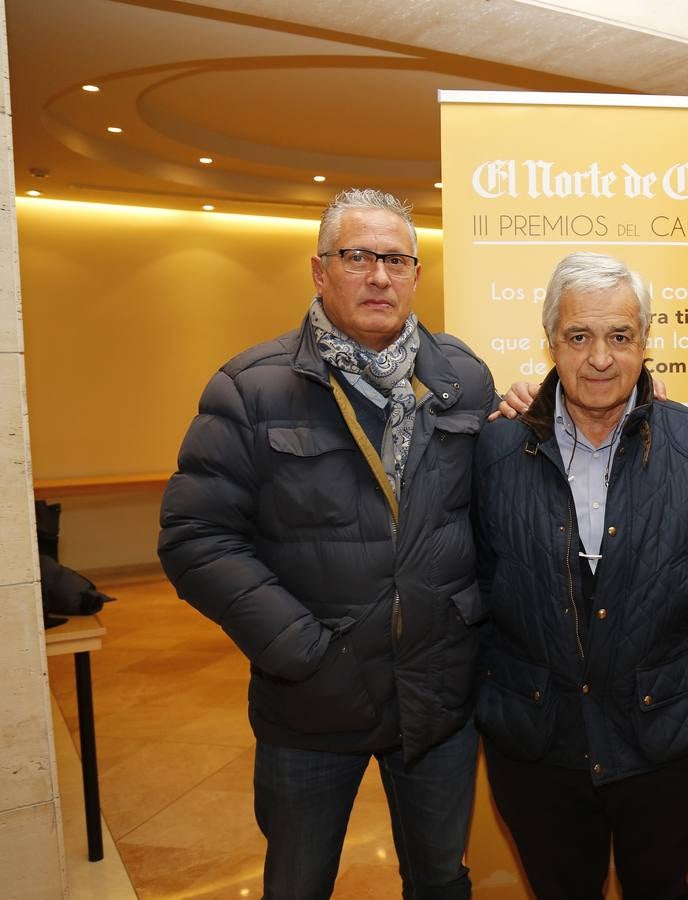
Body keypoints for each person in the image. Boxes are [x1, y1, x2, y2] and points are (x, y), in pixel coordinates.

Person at [158, 189, 495, 899]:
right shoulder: (251, 389)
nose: (379, 276)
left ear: (415, 274)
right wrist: (300, 651)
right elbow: (195, 537)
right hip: (312, 705)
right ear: (319, 271)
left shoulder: (461, 378)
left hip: (436, 701)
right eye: (357, 256)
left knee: (441, 879)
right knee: (297, 883)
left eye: (396, 259)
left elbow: (489, 518)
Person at [473, 251, 688, 900]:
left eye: (620, 336)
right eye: (579, 336)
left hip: (670, 741)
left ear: (645, 342)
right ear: (551, 343)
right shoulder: (495, 450)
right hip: (537, 745)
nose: (600, 357)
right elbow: (480, 585)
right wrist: (492, 700)